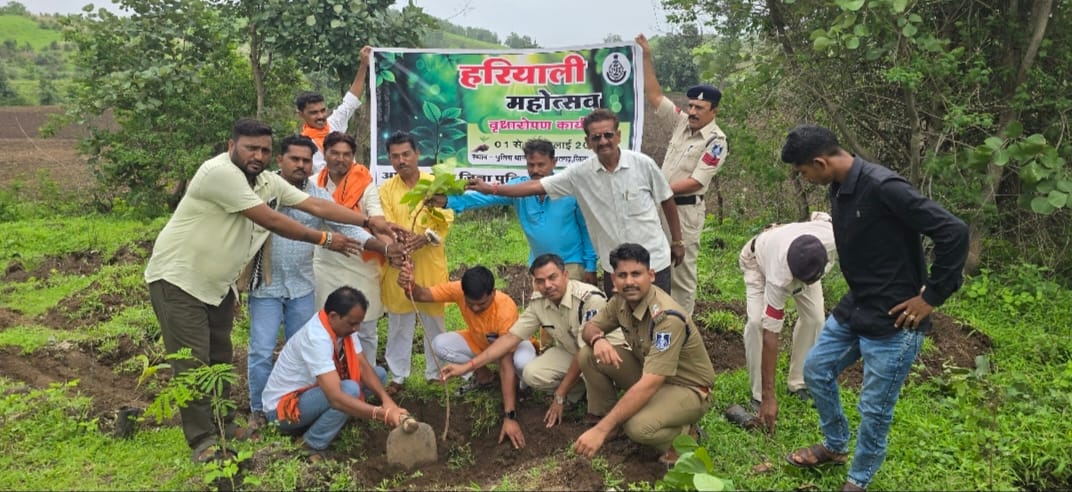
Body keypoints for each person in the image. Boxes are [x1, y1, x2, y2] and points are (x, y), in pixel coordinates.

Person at [144, 118, 385, 463]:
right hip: (179, 282)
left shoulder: (267, 181)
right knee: (193, 365)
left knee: (220, 360)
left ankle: (225, 421)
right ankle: (202, 439)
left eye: (264, 150)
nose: (257, 155)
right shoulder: (219, 173)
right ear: (232, 147)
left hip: (219, 288)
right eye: (250, 148)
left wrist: (366, 220)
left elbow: (316, 206)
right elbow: (271, 220)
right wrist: (324, 238)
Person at [780, 125, 969, 491]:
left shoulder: (884, 187)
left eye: (804, 172)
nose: (804, 179)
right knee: (816, 370)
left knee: (874, 409)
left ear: (821, 162)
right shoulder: (838, 185)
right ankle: (835, 446)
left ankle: (858, 480)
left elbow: (954, 231)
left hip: (897, 318)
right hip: (858, 306)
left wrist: (931, 296)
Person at [246, 135, 401, 427]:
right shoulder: (261, 190)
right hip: (266, 284)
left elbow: (346, 226)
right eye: (295, 159)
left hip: (303, 285)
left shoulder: (317, 194)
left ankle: (306, 406)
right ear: (280, 160)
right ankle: (260, 411)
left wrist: (383, 247)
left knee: (301, 349)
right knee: (261, 351)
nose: (301, 165)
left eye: (306, 160)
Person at [467, 109, 684, 296]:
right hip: (614, 267)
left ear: (618, 135)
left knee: (660, 322)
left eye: (608, 135)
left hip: (653, 261)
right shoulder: (580, 174)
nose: (603, 141)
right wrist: (491, 188)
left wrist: (677, 241)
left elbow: (666, 199)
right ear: (587, 142)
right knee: (623, 326)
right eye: (596, 137)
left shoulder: (643, 164)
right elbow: (536, 186)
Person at [439, 254, 626, 429]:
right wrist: (468, 366)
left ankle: (602, 409)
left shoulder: (589, 299)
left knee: (587, 357)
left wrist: (559, 396)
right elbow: (510, 339)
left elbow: (583, 352)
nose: (548, 285)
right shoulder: (539, 302)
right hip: (574, 352)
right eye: (540, 281)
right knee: (532, 373)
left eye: (553, 277)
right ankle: (580, 391)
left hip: (609, 356)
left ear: (565, 275)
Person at [573, 243, 715, 465]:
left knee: (638, 428)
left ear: (651, 275)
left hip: (687, 387)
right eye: (622, 275)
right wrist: (598, 339)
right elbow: (590, 327)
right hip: (650, 373)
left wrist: (601, 430)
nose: (629, 282)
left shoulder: (666, 318)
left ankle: (685, 437)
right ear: (614, 279)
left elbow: (651, 382)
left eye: (636, 274)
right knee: (589, 354)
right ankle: (610, 420)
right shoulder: (620, 300)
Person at [637, 34, 729, 317]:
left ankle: (682, 334)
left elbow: (696, 181)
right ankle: (658, 322)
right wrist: (646, 57)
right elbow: (654, 96)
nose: (692, 111)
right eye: (690, 106)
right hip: (661, 209)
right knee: (656, 265)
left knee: (682, 275)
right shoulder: (681, 123)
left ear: (713, 110)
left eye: (699, 108)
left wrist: (658, 188)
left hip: (686, 213)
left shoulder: (716, 141)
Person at [261, 287, 407, 460]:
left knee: (379, 374)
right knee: (348, 391)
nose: (357, 328)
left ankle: (338, 416)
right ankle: (311, 444)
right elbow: (335, 397)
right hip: (282, 411)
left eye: (359, 323)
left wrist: (387, 401)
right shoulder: (316, 338)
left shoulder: (342, 328)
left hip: (311, 396)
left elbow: (362, 365)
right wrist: (382, 414)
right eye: (353, 323)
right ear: (333, 316)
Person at [427, 139, 599, 285]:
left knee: (575, 320)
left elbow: (587, 229)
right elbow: (480, 198)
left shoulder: (568, 189)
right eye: (531, 165)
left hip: (571, 265)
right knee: (547, 320)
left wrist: (590, 266)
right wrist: (448, 201)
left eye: (541, 165)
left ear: (554, 163)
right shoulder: (518, 189)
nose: (535, 170)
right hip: (539, 265)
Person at [399, 265, 534, 449]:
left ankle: (524, 390)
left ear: (493, 293)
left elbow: (505, 361)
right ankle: (484, 376)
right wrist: (410, 285)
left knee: (522, 364)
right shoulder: (458, 290)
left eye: (482, 304)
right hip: (479, 343)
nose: (476, 308)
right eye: (471, 304)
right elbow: (421, 295)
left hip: (513, 348)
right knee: (440, 344)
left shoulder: (505, 309)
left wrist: (509, 415)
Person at [739, 213, 836, 433]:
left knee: (815, 318)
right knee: (757, 323)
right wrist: (769, 396)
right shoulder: (779, 277)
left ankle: (798, 382)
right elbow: (772, 335)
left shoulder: (832, 237)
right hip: (757, 261)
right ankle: (758, 395)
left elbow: (823, 217)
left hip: (800, 253)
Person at [379, 131, 454, 392]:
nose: (401, 161)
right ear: (389, 159)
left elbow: (445, 219)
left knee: (434, 317)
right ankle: (398, 375)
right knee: (399, 320)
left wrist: (423, 238)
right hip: (399, 262)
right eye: (395, 156)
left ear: (416, 154)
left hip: (430, 260)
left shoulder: (434, 184)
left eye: (406, 154)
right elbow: (385, 221)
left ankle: (437, 371)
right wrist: (398, 239)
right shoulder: (386, 190)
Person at [313, 131, 395, 366]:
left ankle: (366, 379)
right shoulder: (313, 184)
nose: (341, 159)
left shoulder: (366, 185)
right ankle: (331, 376)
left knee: (366, 327)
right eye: (335, 153)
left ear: (353, 157)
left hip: (362, 262)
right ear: (324, 154)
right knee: (328, 325)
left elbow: (376, 219)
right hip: (326, 265)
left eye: (346, 154)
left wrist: (390, 248)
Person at [296, 45, 371, 174]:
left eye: (322, 110)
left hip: (353, 188)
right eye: (313, 113)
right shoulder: (302, 145)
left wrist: (364, 65)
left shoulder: (333, 123)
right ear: (301, 115)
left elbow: (351, 101)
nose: (320, 116)